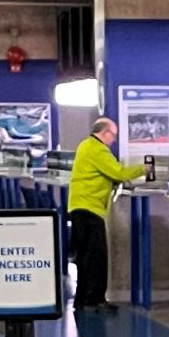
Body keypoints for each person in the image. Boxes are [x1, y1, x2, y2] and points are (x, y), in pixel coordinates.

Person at [64, 115, 149, 310]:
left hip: (80, 207)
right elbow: (119, 172)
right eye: (113, 135)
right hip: (89, 209)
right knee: (96, 257)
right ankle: (95, 299)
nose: (114, 140)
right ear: (104, 132)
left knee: (85, 257)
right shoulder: (97, 149)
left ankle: (83, 299)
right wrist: (144, 169)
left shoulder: (85, 146)